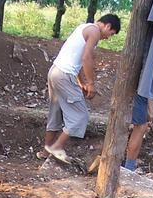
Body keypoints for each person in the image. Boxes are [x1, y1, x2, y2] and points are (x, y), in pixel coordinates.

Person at [42, 14, 121, 163]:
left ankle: (45, 151)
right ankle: (57, 147)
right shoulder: (95, 32)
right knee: (80, 115)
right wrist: (90, 83)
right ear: (108, 26)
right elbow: (86, 58)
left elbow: (76, 60)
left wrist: (81, 82)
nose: (108, 38)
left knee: (56, 113)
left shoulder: (83, 28)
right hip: (64, 75)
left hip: (55, 71)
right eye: (110, 34)